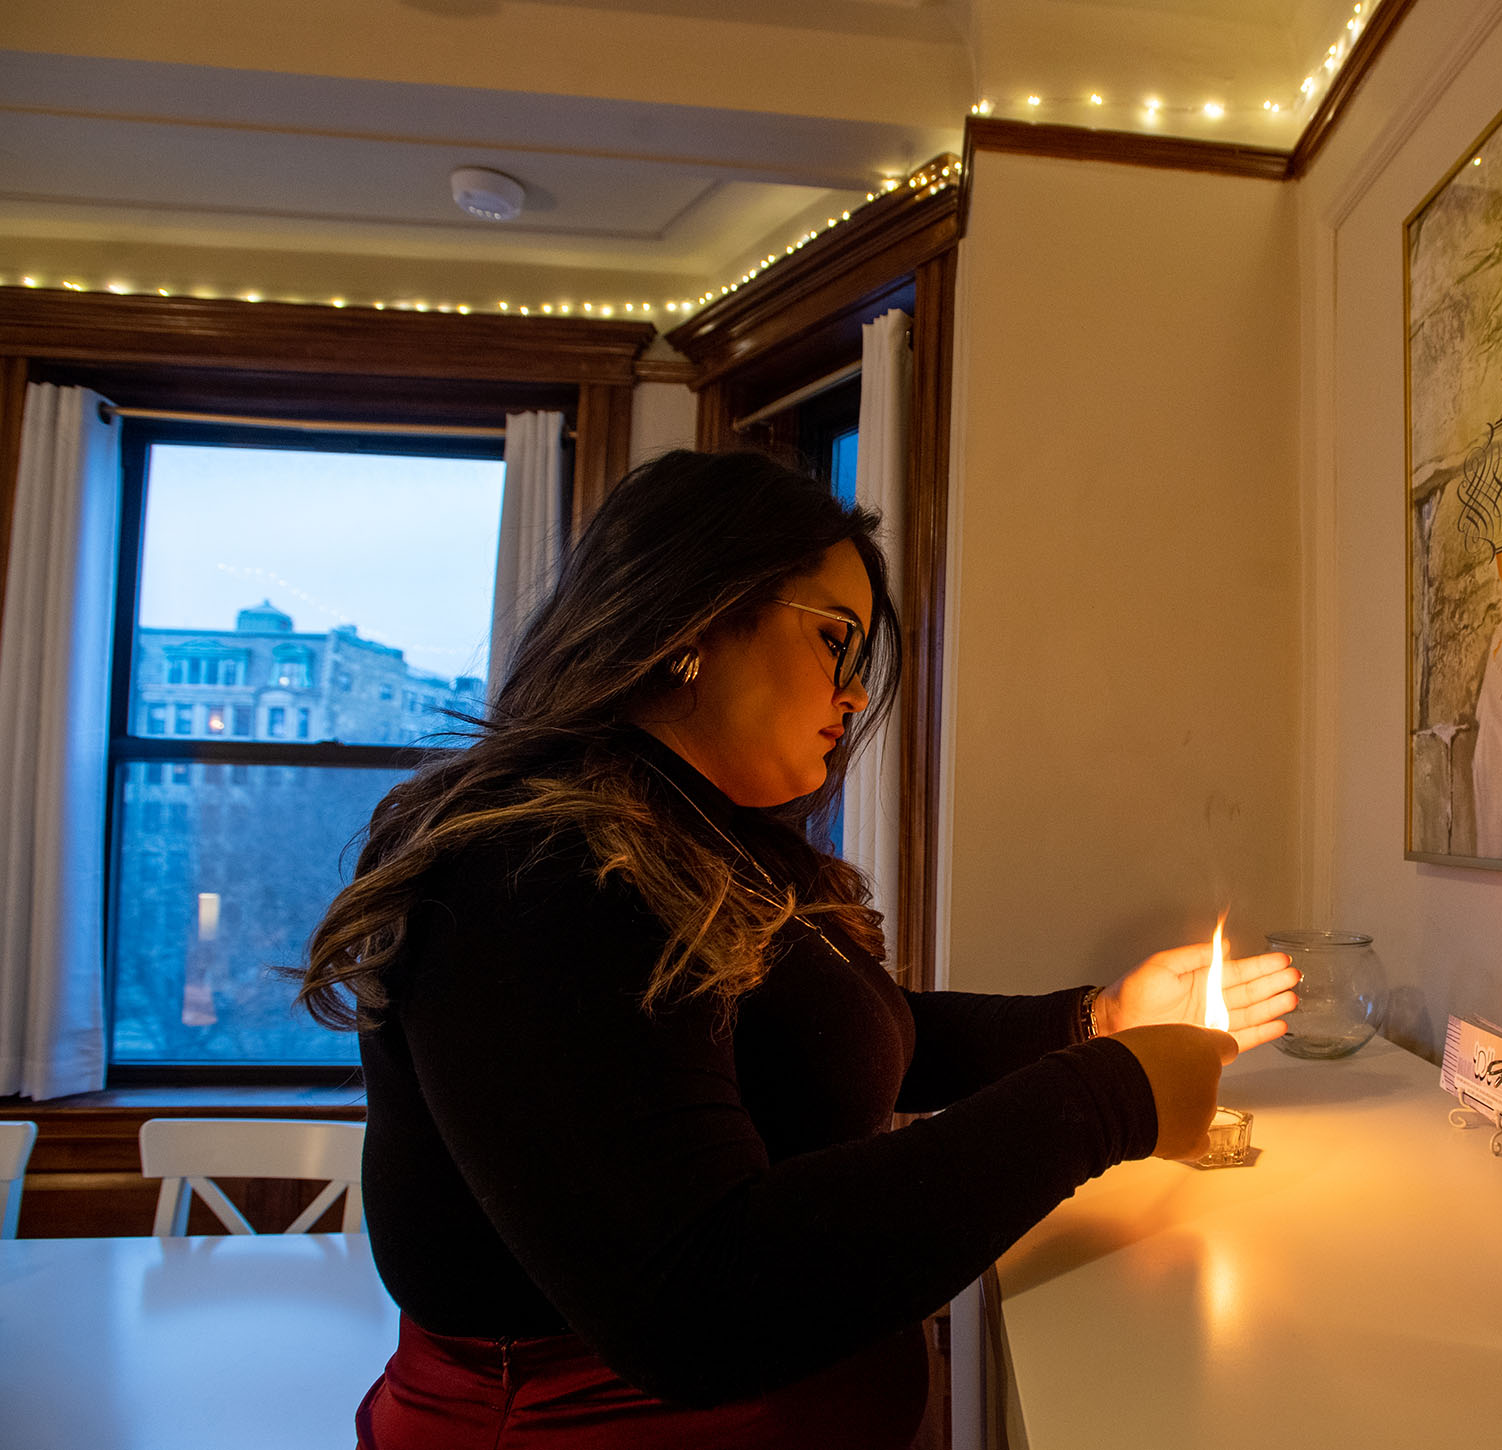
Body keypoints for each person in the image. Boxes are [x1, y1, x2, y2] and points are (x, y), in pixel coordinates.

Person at [295, 449, 1298, 1450]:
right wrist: (1105, 1096)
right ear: (693, 617)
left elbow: (834, 1040)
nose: (854, 697)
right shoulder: (534, 865)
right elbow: (693, 1304)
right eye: (834, 641)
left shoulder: (683, 836)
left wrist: (1095, 1019)